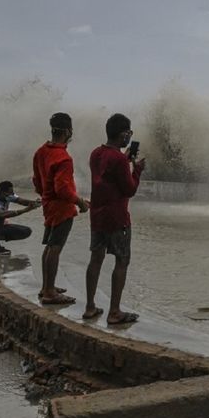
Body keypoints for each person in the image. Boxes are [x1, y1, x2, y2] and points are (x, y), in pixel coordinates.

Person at [84, 113, 145, 323]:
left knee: (96, 259)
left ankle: (90, 306)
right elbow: (129, 189)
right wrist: (136, 171)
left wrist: (125, 160)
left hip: (97, 216)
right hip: (118, 218)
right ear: (123, 134)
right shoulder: (119, 159)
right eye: (129, 132)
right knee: (121, 261)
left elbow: (108, 174)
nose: (130, 136)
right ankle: (114, 312)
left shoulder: (96, 153)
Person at [33, 112, 88, 305]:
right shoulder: (63, 158)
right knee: (55, 248)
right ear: (67, 131)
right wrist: (79, 202)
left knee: (49, 247)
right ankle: (49, 292)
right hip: (62, 209)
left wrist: (45, 197)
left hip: (48, 205)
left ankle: (46, 286)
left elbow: (37, 182)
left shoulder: (41, 152)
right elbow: (63, 189)